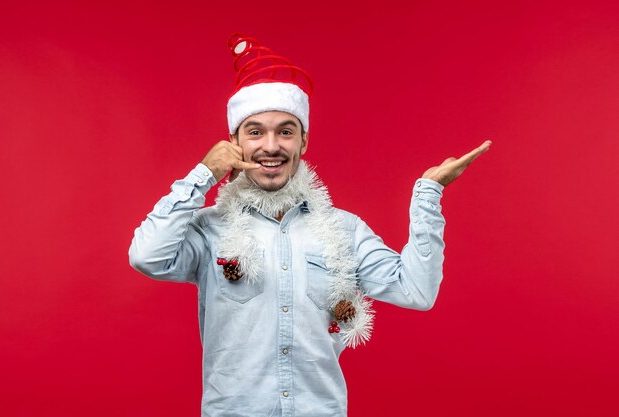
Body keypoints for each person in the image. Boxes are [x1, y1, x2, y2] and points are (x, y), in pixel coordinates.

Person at [128, 33, 491, 417]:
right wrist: (204, 173)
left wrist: (429, 194)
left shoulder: (345, 229)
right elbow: (146, 256)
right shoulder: (209, 229)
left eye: (286, 131)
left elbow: (417, 291)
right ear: (234, 142)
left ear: (304, 141)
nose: (271, 146)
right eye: (255, 132)